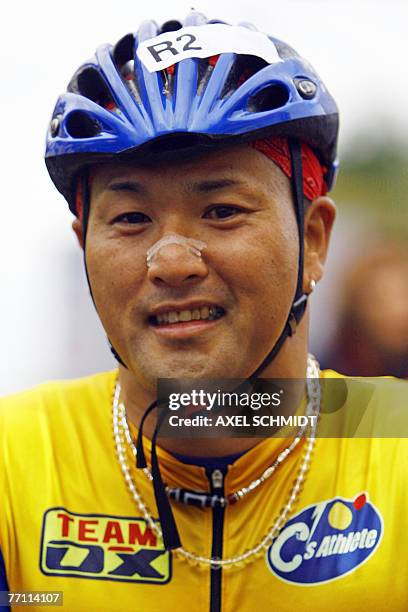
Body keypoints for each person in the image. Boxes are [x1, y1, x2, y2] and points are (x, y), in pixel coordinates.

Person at [0, 11, 407, 612]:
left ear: (314, 241)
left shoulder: (396, 443)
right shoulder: (13, 458)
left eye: (221, 210)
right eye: (131, 219)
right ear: (83, 245)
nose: (170, 262)